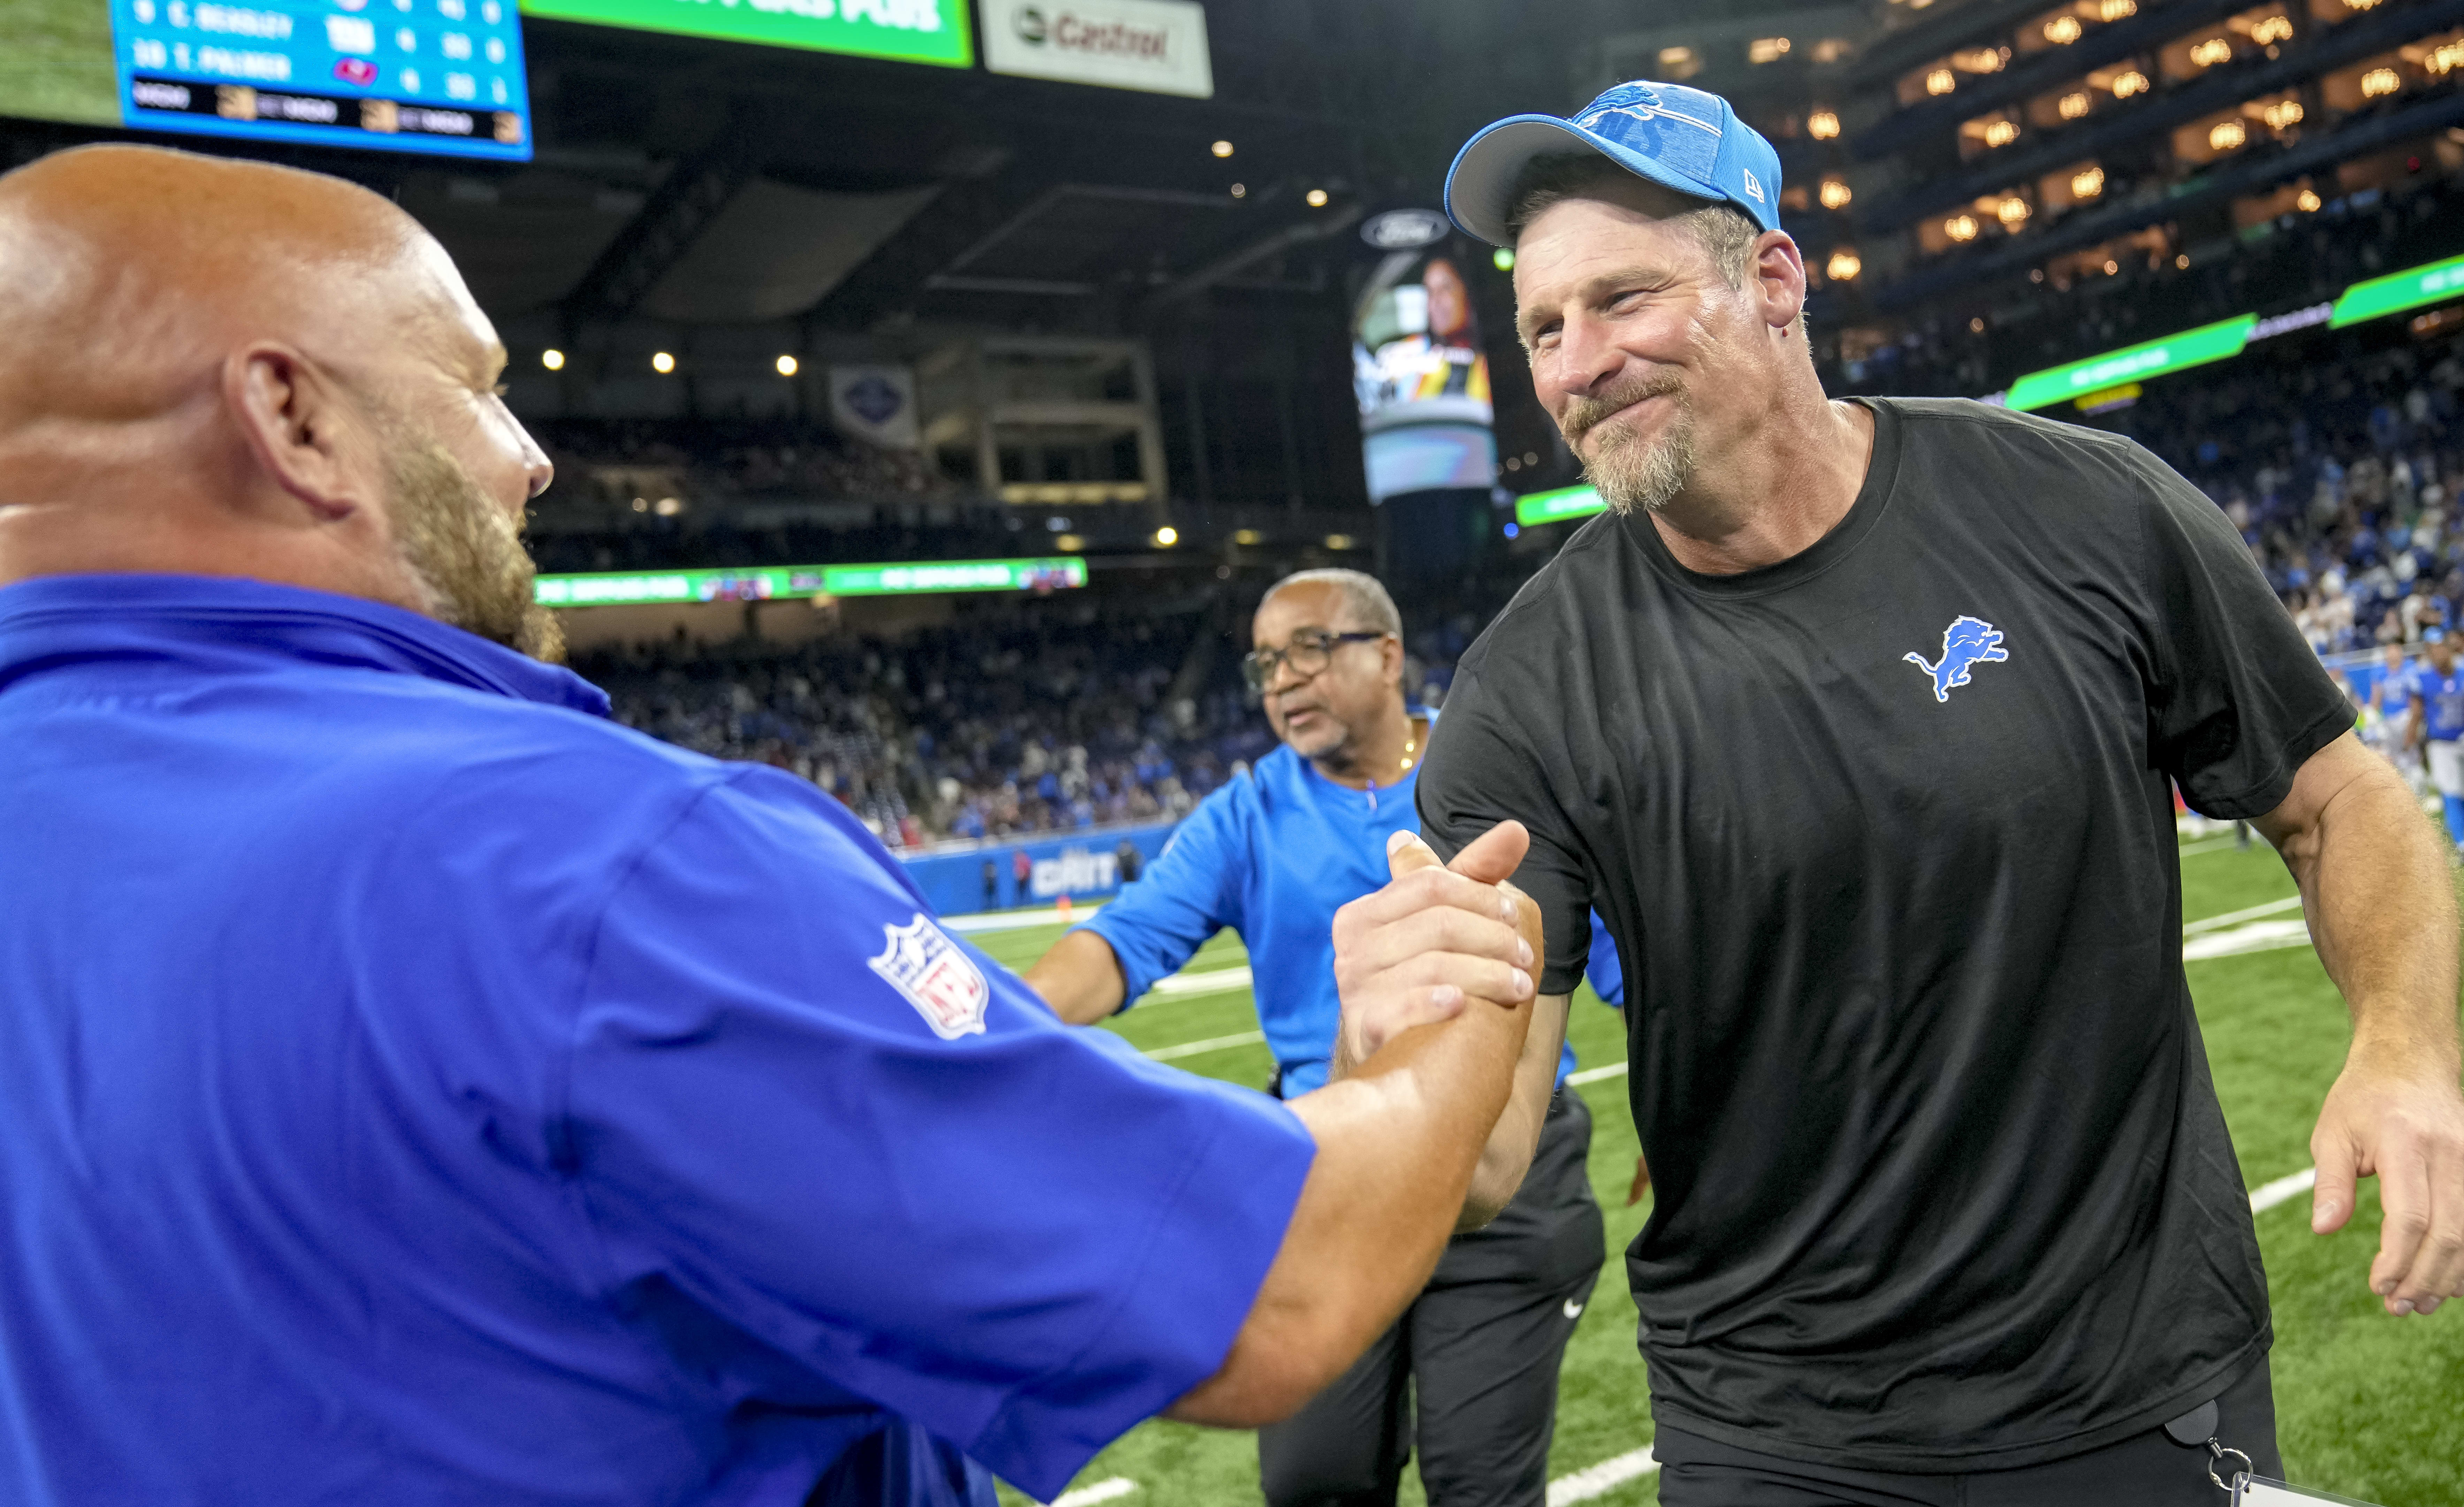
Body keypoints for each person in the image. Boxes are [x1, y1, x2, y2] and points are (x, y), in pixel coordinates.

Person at [0, 144, 1550, 1506]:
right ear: (290, 414)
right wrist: (1442, 1035)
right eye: (476, 385)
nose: (532, 453)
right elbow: (1272, 1286)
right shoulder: (585, 859)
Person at [1426, 80, 2464, 1504]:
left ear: (1769, 278)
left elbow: (2332, 795)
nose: (1575, 365)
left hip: (2128, 1380)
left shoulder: (2082, 507)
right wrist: (1397, 1071)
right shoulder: (1522, 693)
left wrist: (2404, 1049)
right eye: (1542, 331)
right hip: (1767, 1424)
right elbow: (1493, 1143)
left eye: (1620, 300)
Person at [1023, 568, 1603, 1507]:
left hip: (1501, 1163)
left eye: (1307, 647)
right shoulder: (1246, 812)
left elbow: (1621, 961)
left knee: (1481, 1484)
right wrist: (990, 1019)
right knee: (1313, 1482)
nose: (1281, 679)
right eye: (1263, 662)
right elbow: (1122, 941)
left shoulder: (1499, 777)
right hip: (1323, 1171)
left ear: (1386, 655)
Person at [2411, 629, 2464, 860]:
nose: (2437, 654)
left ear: (2449, 649)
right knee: (2450, 790)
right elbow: (2417, 714)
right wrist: (2411, 745)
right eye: (2432, 650)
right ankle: (2462, 845)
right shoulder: (2421, 676)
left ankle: (2459, 823)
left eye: (2440, 648)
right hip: (2440, 743)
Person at [2368, 640, 2426, 794]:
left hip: (2407, 716)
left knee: (2411, 753)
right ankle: (2405, 792)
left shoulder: (2410, 668)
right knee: (2394, 756)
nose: (2393, 654)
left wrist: (2415, 720)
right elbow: (2376, 700)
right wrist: (2372, 718)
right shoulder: (2380, 672)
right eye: (2390, 651)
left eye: (2396, 650)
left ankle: (2421, 792)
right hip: (2389, 719)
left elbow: (2416, 697)